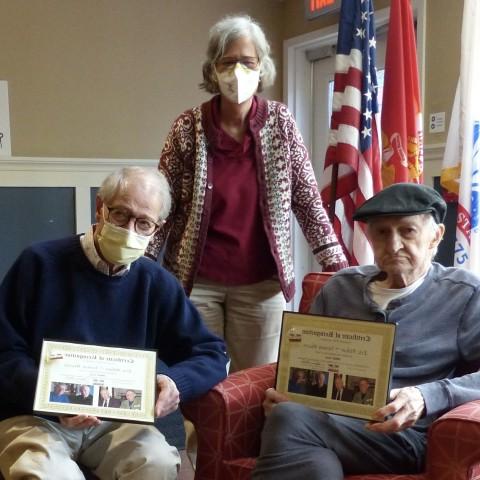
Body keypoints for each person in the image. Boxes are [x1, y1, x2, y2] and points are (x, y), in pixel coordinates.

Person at [145, 14, 348, 372]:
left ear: (261, 67)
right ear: (213, 69)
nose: (237, 71)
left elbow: (306, 199)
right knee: (198, 380)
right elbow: (162, 203)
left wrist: (337, 263)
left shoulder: (281, 123)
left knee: (254, 383)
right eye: (228, 62)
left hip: (261, 286)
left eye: (247, 62)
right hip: (197, 283)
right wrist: (141, 264)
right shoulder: (186, 128)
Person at [0, 166, 228, 480]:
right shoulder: (39, 263)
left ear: (156, 228)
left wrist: (177, 382)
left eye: (143, 223)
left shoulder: (156, 283)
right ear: (100, 208)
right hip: (37, 417)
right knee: (49, 474)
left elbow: (211, 353)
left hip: (115, 421)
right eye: (121, 215)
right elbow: (4, 352)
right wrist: (51, 396)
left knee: (158, 461)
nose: (130, 229)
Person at [253, 183, 480, 479]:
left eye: (407, 231)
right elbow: (305, 362)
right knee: (308, 450)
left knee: (290, 422)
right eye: (382, 232)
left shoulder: (464, 294)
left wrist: (425, 396)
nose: (394, 244)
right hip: (325, 423)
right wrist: (286, 391)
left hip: (401, 435)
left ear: (435, 236)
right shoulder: (340, 288)